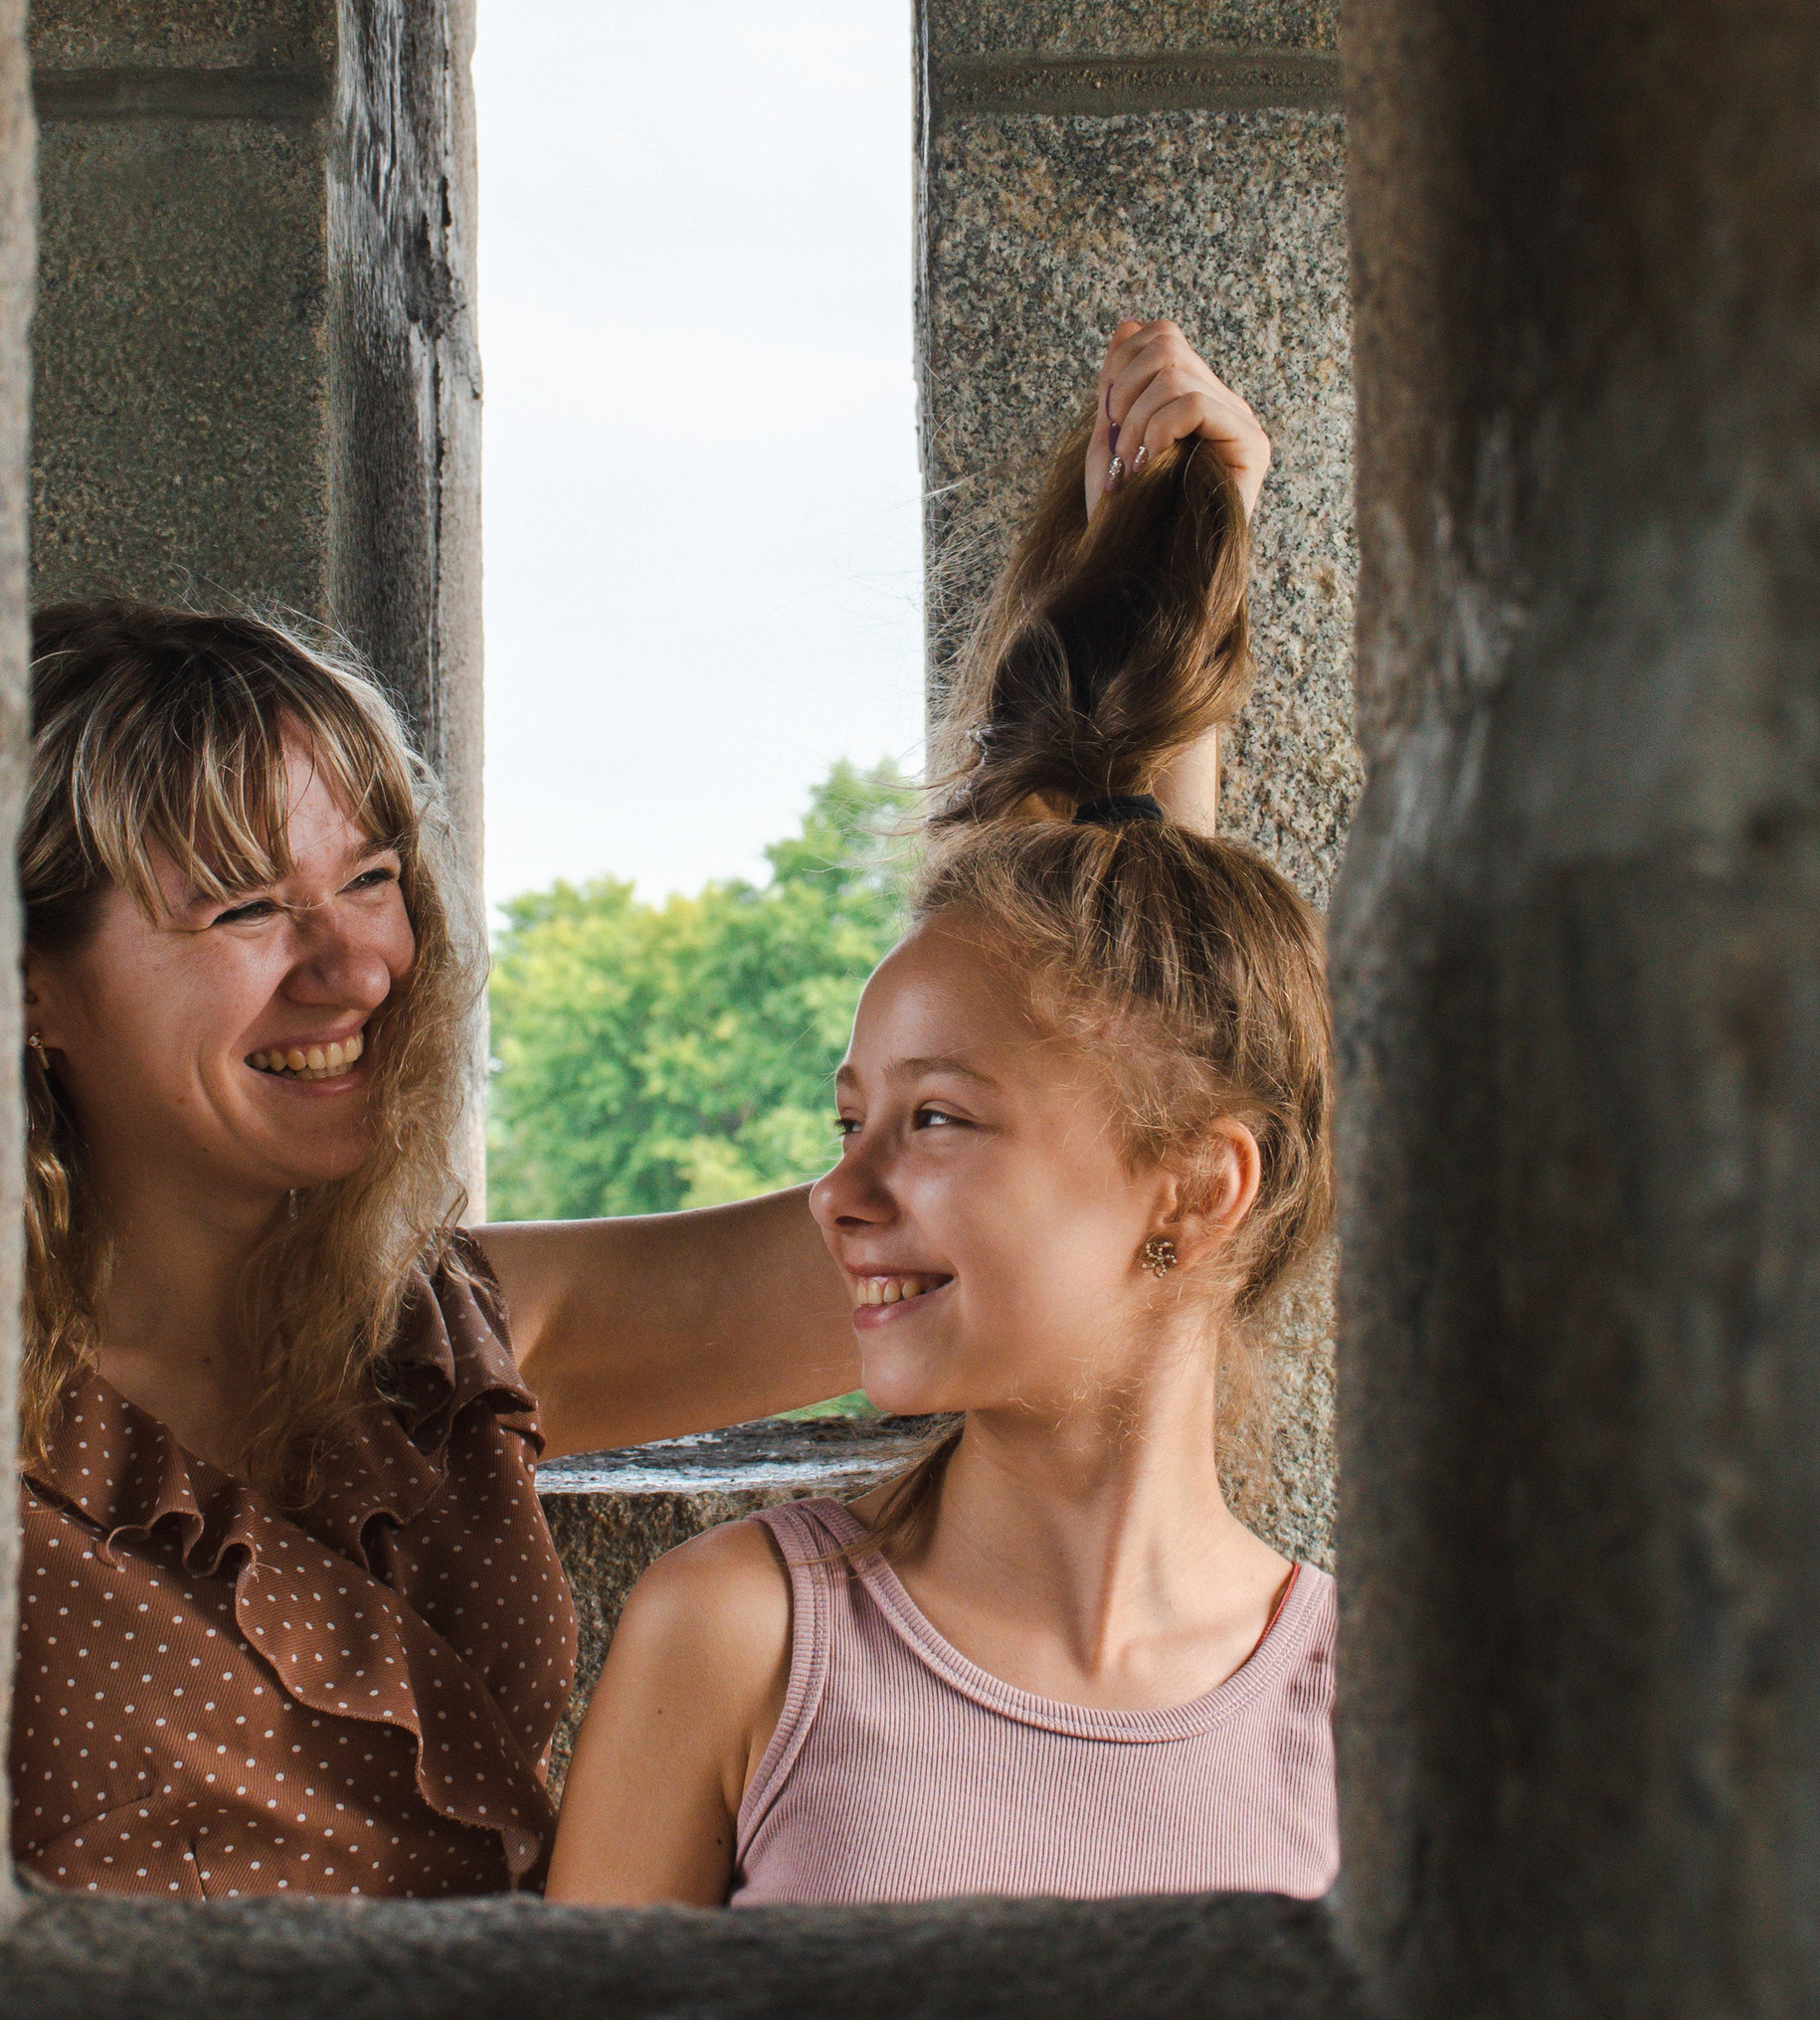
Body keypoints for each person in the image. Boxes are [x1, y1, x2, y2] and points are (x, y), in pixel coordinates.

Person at [12, 320, 1253, 1905]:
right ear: (29, 987)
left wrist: (1165, 605)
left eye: (376, 880)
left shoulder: (445, 1343)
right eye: (245, 908)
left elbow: (1041, 1214)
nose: (355, 965)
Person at [544, 348, 1336, 1907]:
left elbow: (1144, 1045)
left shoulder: (1370, 1719)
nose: (837, 1198)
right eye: (851, 1120)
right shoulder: (744, 1645)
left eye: (935, 1121)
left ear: (1201, 1188)